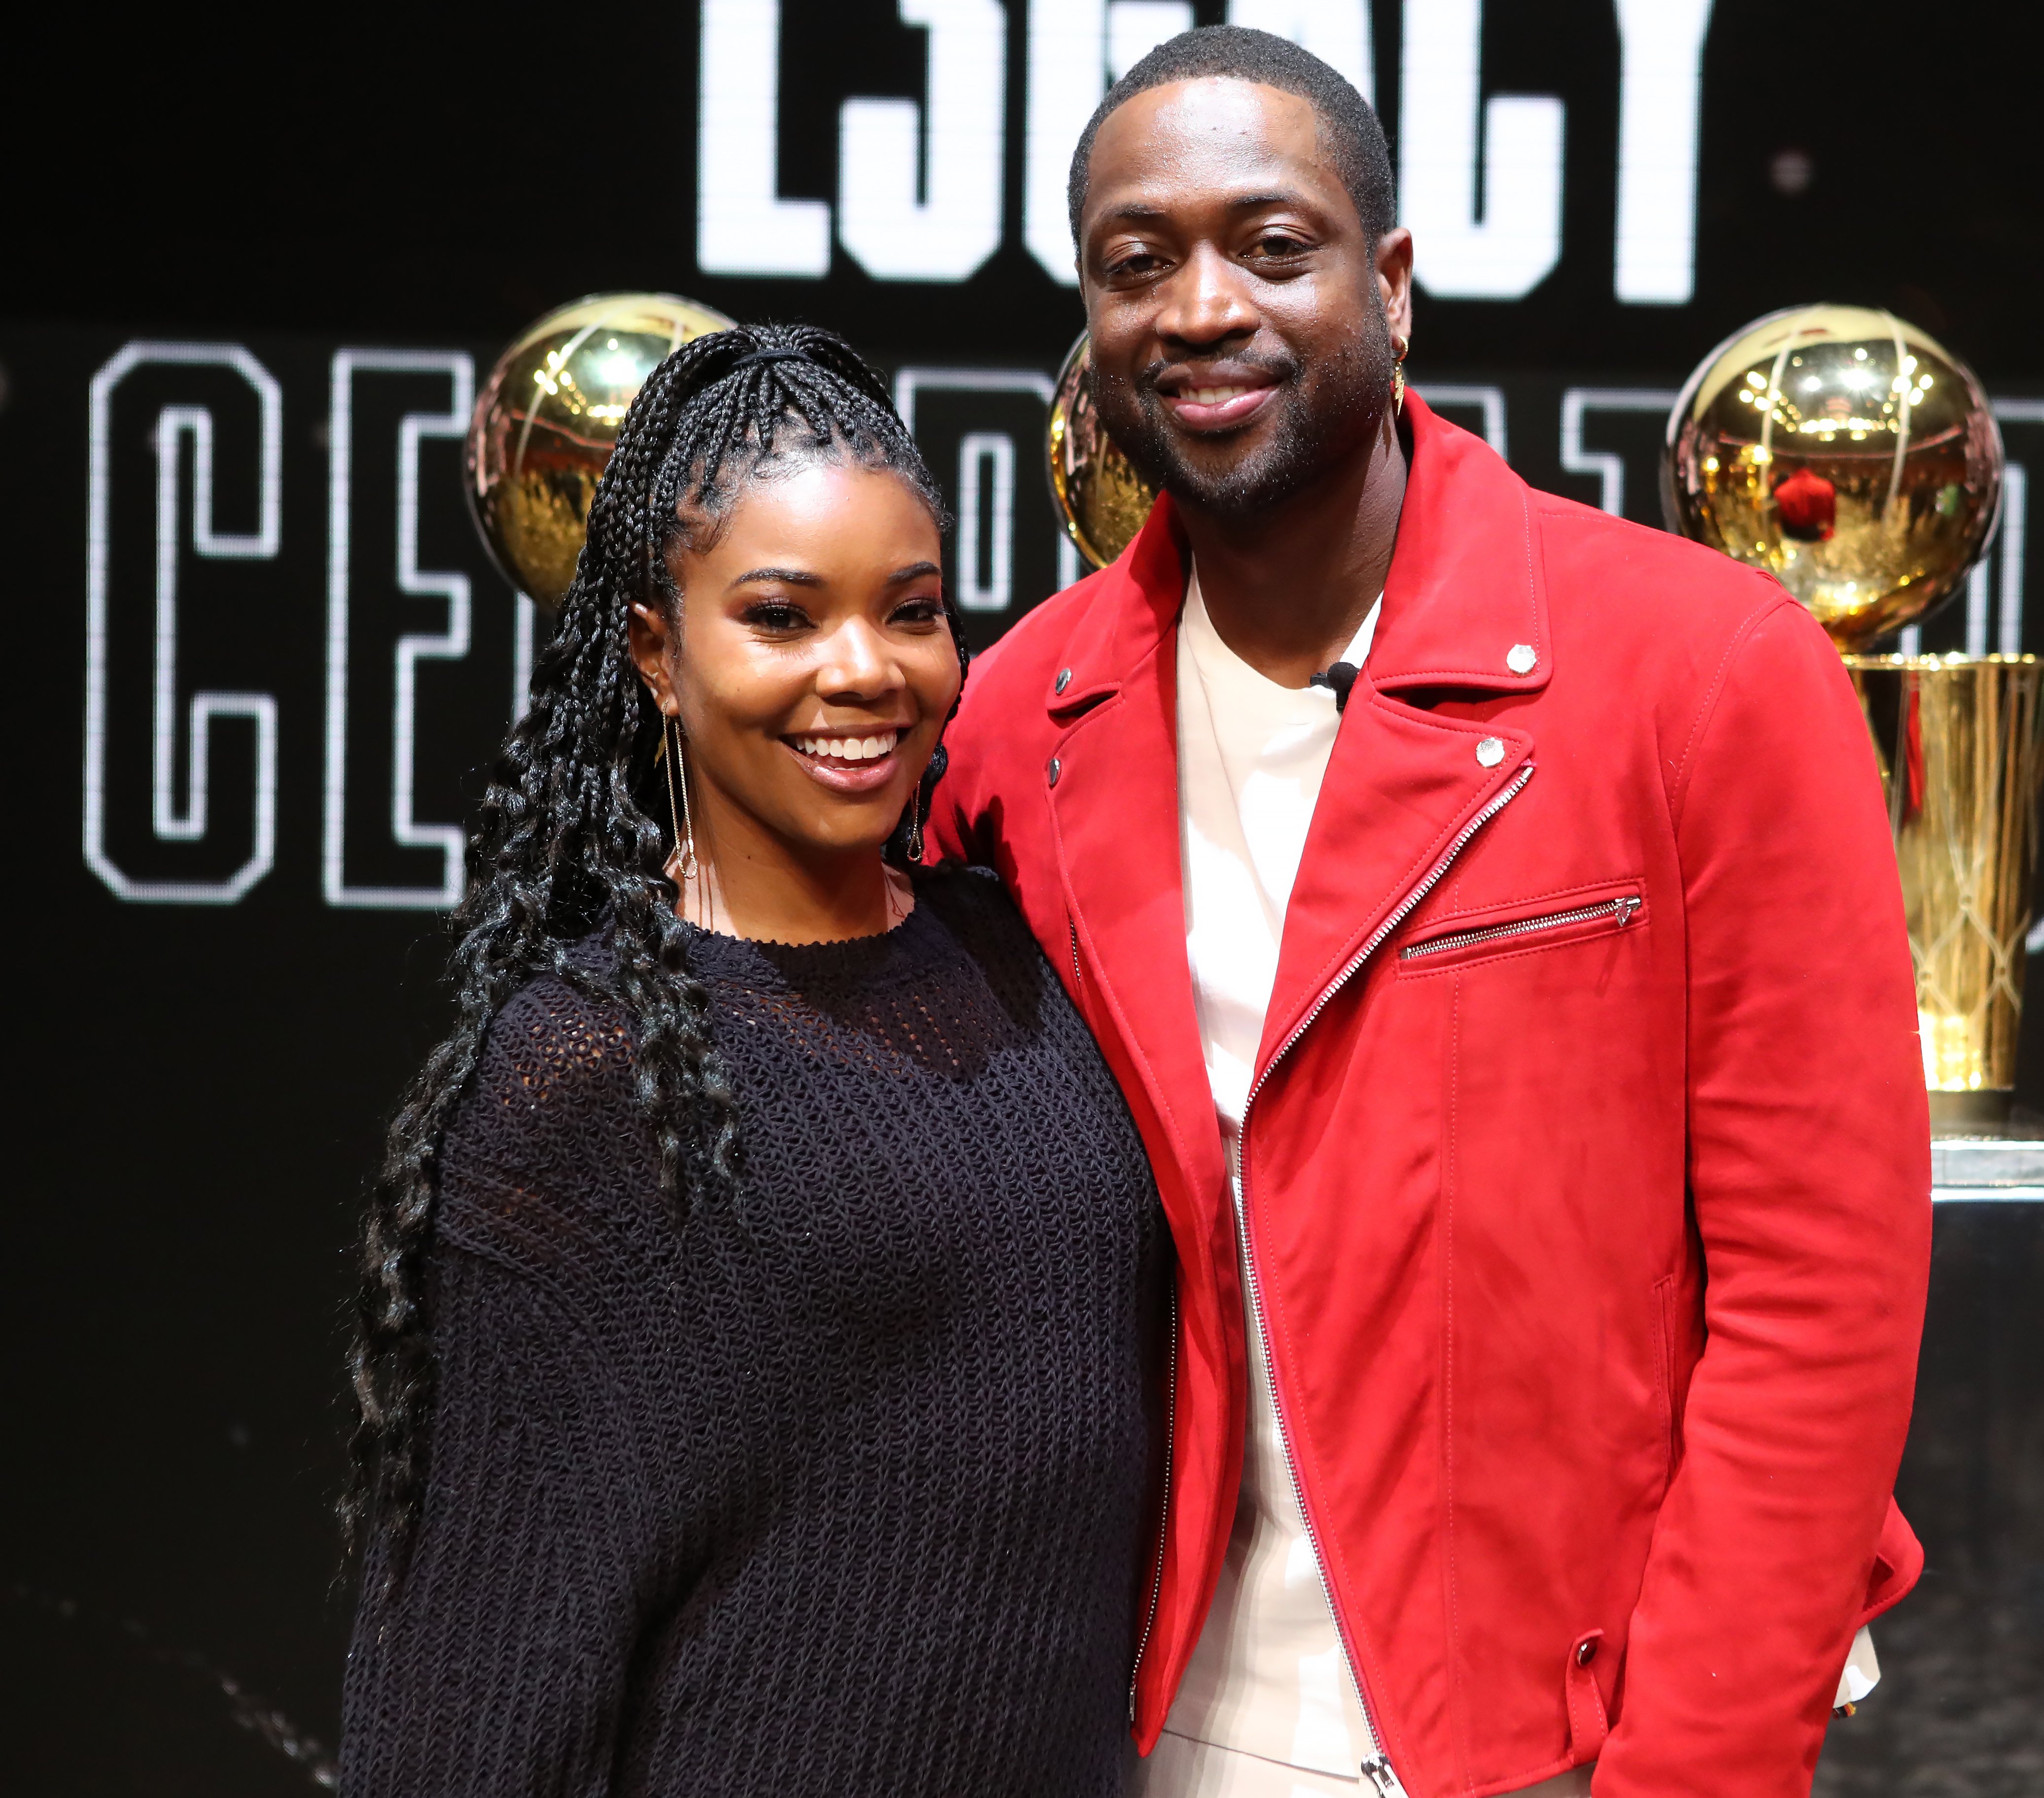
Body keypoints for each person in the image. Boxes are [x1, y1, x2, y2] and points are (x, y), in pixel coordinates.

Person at [934, 28, 1931, 1796]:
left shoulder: (1701, 673)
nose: (1202, 307)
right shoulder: (1019, 720)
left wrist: (1687, 1767)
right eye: (1136, 261)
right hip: (1124, 1724)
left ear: (1393, 291)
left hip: (1554, 1738)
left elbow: (1819, 1296)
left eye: (1274, 243)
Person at [338, 324, 1167, 1795]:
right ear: (658, 652)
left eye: (910, 613)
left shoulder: (1022, 956)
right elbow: (469, 1692)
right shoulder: (588, 1076)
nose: (865, 672)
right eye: (782, 618)